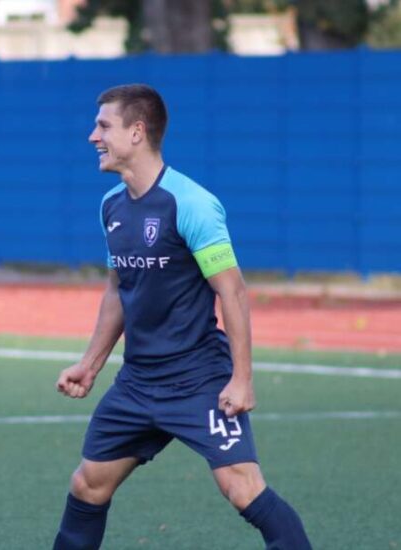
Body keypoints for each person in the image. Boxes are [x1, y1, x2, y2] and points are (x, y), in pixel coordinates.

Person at [52, 84, 312, 550]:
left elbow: (232, 292)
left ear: (136, 132)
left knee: (242, 488)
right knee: (88, 485)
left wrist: (242, 379)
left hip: (198, 379)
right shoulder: (111, 206)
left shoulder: (190, 202)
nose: (93, 136)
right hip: (137, 383)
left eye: (103, 126)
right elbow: (117, 289)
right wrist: (90, 364)